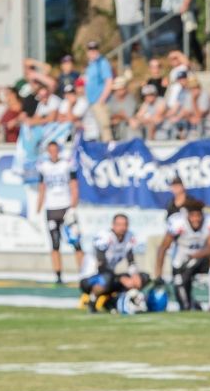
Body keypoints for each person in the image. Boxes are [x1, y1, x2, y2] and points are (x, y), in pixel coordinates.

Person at [154, 200, 210, 312]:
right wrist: (158, 274)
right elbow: (163, 248)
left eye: (198, 215)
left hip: (201, 256)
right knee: (184, 305)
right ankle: (193, 303)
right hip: (181, 259)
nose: (196, 219)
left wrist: (194, 256)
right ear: (187, 215)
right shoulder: (177, 222)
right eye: (192, 216)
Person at [78, 213, 147, 312]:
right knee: (107, 278)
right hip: (90, 278)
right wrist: (121, 278)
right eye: (119, 224)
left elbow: (131, 261)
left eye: (125, 224)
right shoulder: (104, 237)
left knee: (143, 277)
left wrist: (135, 275)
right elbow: (101, 266)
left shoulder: (129, 237)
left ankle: (116, 301)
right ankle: (92, 300)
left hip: (109, 276)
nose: (122, 227)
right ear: (113, 225)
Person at [35, 140, 82, 283]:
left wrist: (73, 207)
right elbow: (42, 188)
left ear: (58, 150)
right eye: (51, 150)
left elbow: (74, 186)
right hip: (51, 209)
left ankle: (83, 273)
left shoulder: (66, 164)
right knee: (55, 243)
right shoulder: (44, 166)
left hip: (66, 207)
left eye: (55, 150)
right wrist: (38, 209)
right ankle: (58, 275)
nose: (53, 153)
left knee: (76, 242)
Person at [102, 0, 152, 66]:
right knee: (127, 45)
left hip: (137, 21)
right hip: (124, 23)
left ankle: (150, 62)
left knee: (145, 42)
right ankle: (127, 66)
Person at [83, 40, 114, 141]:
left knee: (104, 126)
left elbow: (109, 81)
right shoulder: (90, 64)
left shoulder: (102, 63)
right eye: (90, 50)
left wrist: (102, 99)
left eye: (95, 49)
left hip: (99, 101)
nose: (93, 52)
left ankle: (108, 150)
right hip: (91, 101)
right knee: (95, 128)